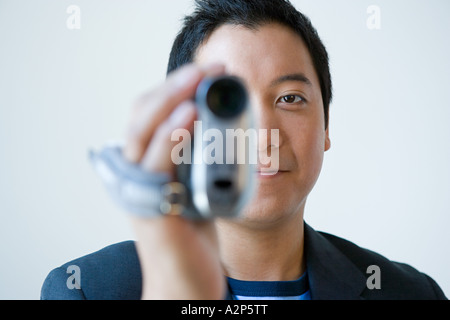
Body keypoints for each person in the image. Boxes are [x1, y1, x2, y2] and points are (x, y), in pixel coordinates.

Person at [41, 0, 446, 300]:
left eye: (289, 98)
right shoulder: (86, 290)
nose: (263, 133)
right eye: (229, 102)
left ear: (326, 127)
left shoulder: (409, 292)